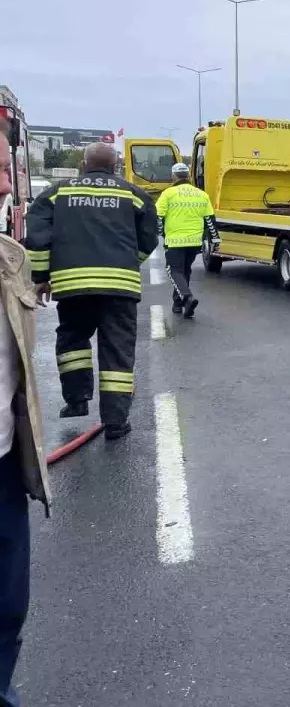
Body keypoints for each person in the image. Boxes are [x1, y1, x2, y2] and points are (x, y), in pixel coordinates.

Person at [25, 142, 158, 441]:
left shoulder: (58, 193)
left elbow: (37, 235)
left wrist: (42, 277)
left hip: (73, 285)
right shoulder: (133, 195)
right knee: (117, 352)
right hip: (120, 287)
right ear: (115, 167)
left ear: (84, 165)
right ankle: (115, 423)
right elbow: (149, 237)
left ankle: (76, 401)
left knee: (72, 339)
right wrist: (129, 262)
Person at [0, 118, 50, 707]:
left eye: (3, 168)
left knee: (8, 605)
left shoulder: (12, 260)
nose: (3, 183)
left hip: (6, 464)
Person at [156, 163, 219, 318]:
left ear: (173, 176)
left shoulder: (168, 193)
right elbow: (209, 219)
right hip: (194, 242)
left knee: (174, 271)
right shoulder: (201, 194)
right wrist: (215, 239)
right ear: (188, 176)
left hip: (175, 241)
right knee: (185, 271)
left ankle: (187, 297)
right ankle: (178, 304)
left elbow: (158, 216)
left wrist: (160, 233)